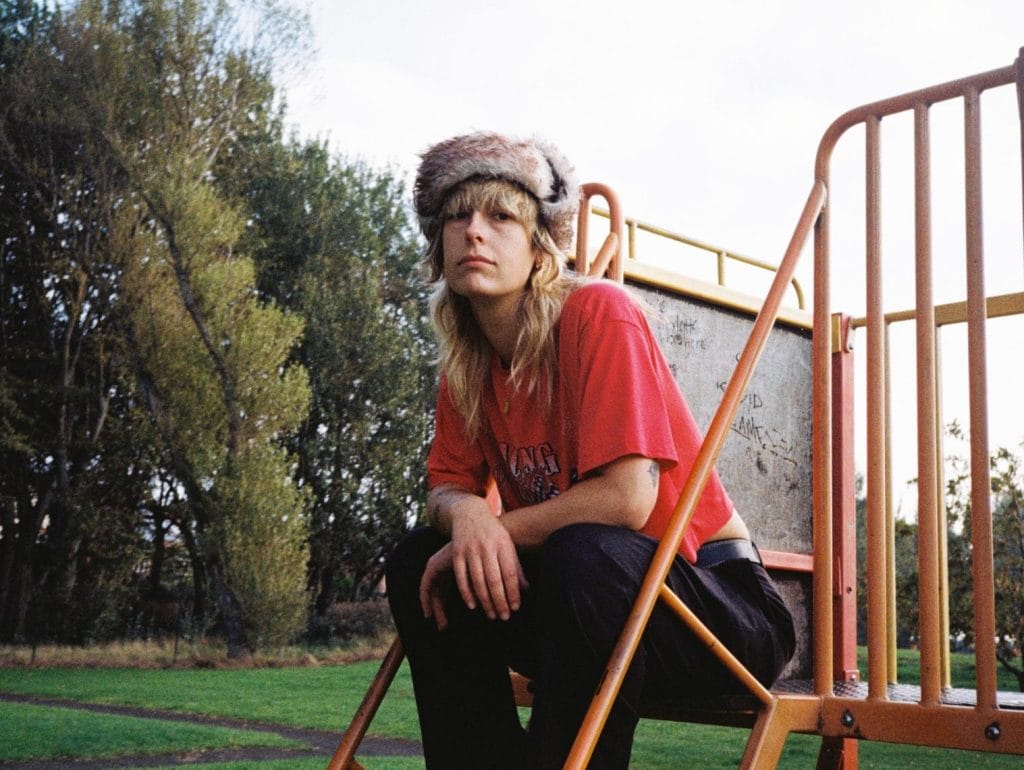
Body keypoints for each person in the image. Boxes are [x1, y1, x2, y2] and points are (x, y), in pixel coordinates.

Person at [385, 131, 795, 769]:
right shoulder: (467, 364)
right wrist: (466, 519)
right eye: (457, 217)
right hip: (585, 609)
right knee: (419, 559)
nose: (473, 233)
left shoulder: (597, 313)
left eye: (500, 216)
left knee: (588, 549)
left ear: (540, 243)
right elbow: (446, 488)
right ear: (438, 245)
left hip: (721, 615)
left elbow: (628, 500)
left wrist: (491, 529)